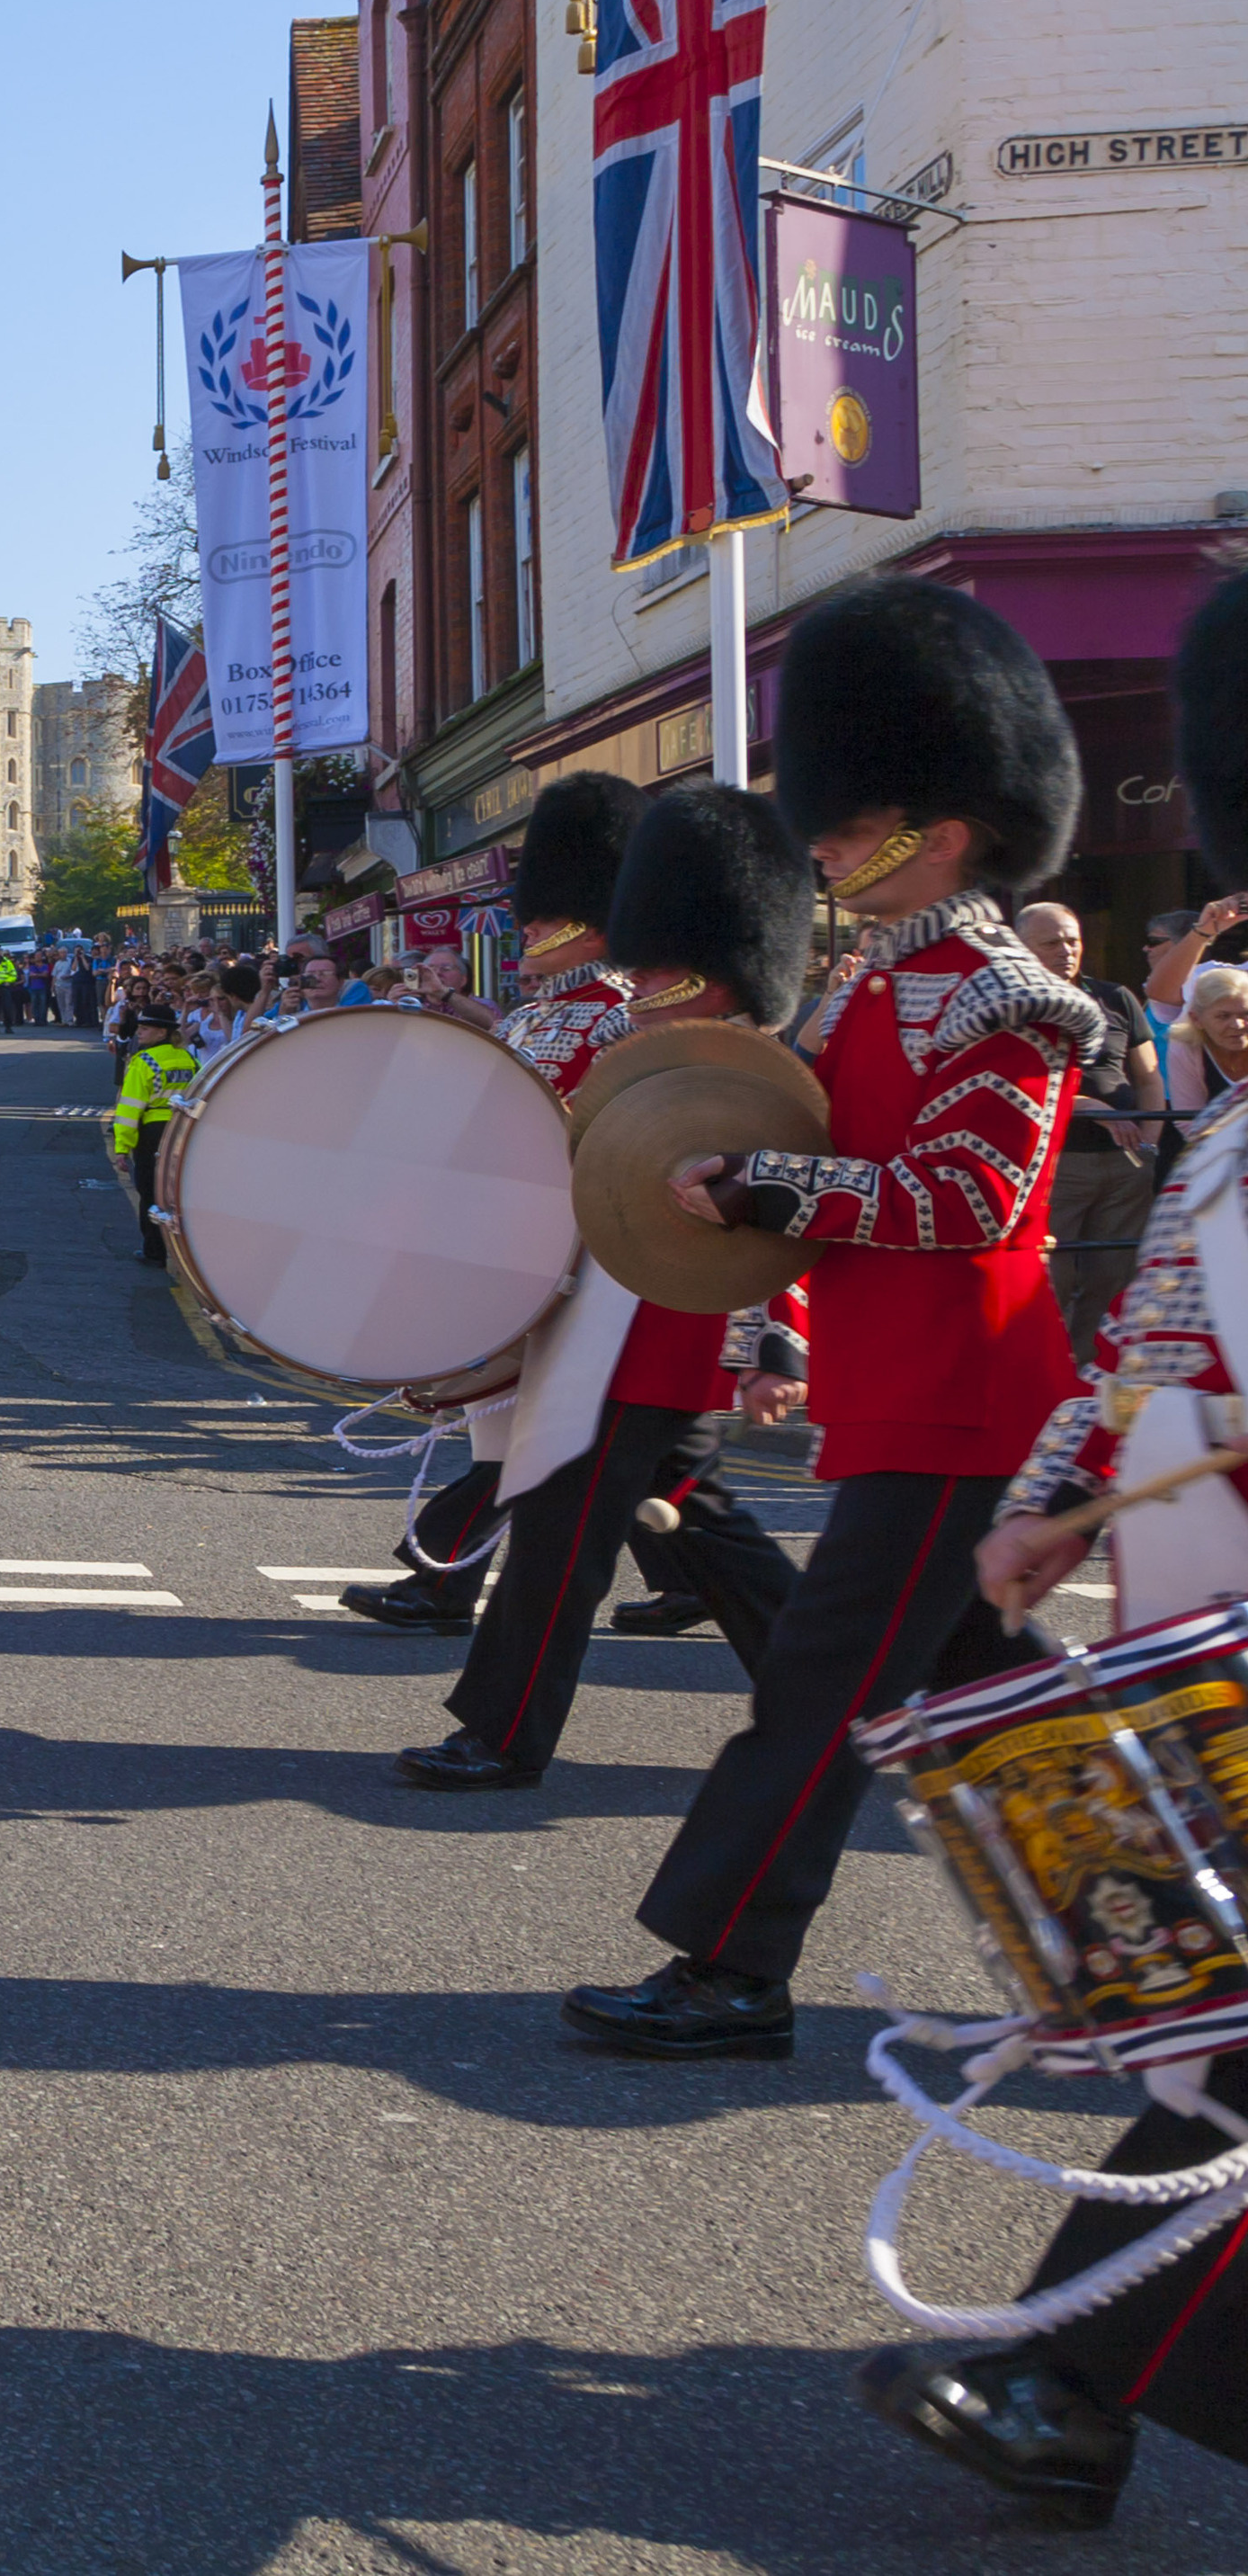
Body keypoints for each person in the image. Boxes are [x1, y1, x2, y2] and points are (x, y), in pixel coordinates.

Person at [567, 578, 1091, 2060]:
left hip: (961, 1400)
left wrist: (765, 1187)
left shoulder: (1001, 994)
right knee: (987, 1696)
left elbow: (969, 1199)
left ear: (950, 821)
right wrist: (778, 1312)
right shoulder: (891, 985)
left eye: (857, 826)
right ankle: (1164, 1943)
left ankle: (734, 1968)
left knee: (817, 1695)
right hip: (906, 1389)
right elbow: (847, 1167)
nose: (830, 846)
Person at [892, 573, 1248, 2526]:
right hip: (1193, 1620)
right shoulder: (1228, 1129)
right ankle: (1067, 2384)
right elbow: (1150, 1334)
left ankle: (1065, 2380)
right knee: (1208, 2044)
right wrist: (1047, 1496)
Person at [391, 785, 810, 1791]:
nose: (654, 965)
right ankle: (849, 1702)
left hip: (662, 1323)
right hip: (607, 1311)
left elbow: (773, 1196)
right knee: (700, 1525)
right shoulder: (629, 1028)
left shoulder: (727, 1052)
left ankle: (502, 1732)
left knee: (559, 1530)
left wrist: (773, 1339)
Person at [343, 773, 648, 1634]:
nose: (528, 929)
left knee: (547, 1438)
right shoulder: (528, 1018)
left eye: (546, 918)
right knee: (518, 1427)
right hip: (504, 1241)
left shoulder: (616, 1021)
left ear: (591, 923)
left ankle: (440, 1575)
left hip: (571, 1253)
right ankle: (701, 1571)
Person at [1021, 898, 1163, 1364]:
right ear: (1023, 948)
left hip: (1126, 1165)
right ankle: (1044, 1374)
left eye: (1072, 940)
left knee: (1114, 1276)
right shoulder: (1012, 1008)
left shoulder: (1116, 997)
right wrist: (1090, 1108)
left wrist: (1149, 1144)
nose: (1066, 950)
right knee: (1050, 1279)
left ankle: (1088, 1373)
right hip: (1056, 1166)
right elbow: (1021, 1085)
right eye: (1052, 942)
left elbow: (1148, 1077)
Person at [108, 1004, 201, 1266]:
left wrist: (122, 1147)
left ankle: (154, 1251)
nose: (140, 1033)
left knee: (150, 1192)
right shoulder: (189, 1059)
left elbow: (129, 1109)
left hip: (152, 1131)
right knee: (178, 1192)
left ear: (162, 1032)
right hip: (182, 1128)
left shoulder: (144, 1062)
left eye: (145, 1028)